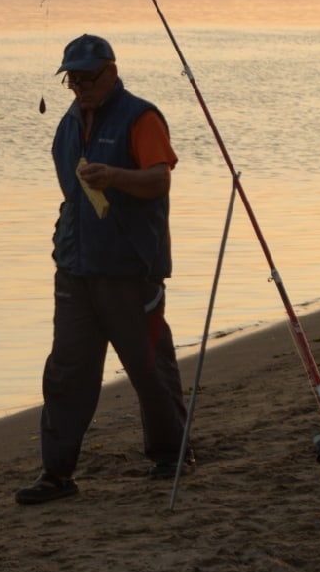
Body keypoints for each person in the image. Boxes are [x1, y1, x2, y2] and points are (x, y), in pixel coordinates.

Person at [15, 33, 193, 505]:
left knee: (150, 366)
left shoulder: (141, 116)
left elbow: (159, 179)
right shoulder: (68, 124)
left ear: (111, 71)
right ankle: (56, 474)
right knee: (66, 371)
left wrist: (114, 177)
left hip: (131, 271)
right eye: (72, 79)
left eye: (88, 77)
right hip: (75, 269)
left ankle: (170, 455)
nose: (79, 87)